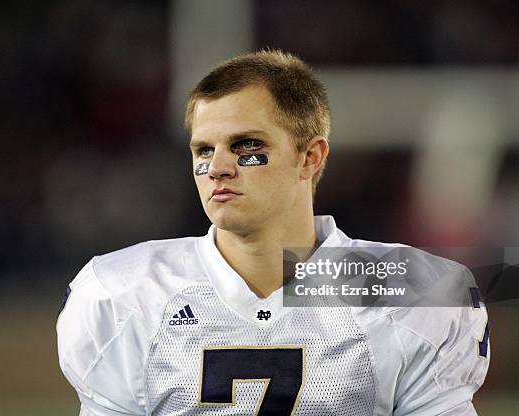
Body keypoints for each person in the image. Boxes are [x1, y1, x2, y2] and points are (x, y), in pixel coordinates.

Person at [57, 50, 489, 415]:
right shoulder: (125, 294)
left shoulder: (411, 291)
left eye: (247, 146)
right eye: (204, 149)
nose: (218, 167)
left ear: (310, 157)